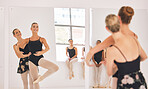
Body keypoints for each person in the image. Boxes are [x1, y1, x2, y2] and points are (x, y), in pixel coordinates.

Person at [85, 6, 138, 89]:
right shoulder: (134, 36)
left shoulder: (114, 38)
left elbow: (92, 51)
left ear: (118, 18)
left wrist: (87, 61)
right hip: (135, 77)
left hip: (120, 77)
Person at [104, 14, 147, 89]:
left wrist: (117, 66)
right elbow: (144, 57)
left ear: (107, 28)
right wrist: (132, 65)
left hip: (125, 83)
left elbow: (109, 73)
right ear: (120, 23)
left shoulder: (111, 50)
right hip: (140, 82)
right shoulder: (134, 39)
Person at [16, 22, 59, 89]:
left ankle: (42, 77)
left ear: (38, 28)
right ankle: (39, 79)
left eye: (37, 27)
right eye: (34, 26)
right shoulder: (27, 40)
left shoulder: (42, 39)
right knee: (35, 81)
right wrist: (19, 53)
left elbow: (47, 48)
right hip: (31, 61)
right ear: (31, 28)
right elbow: (18, 45)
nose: (35, 28)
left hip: (39, 58)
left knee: (55, 68)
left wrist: (41, 53)